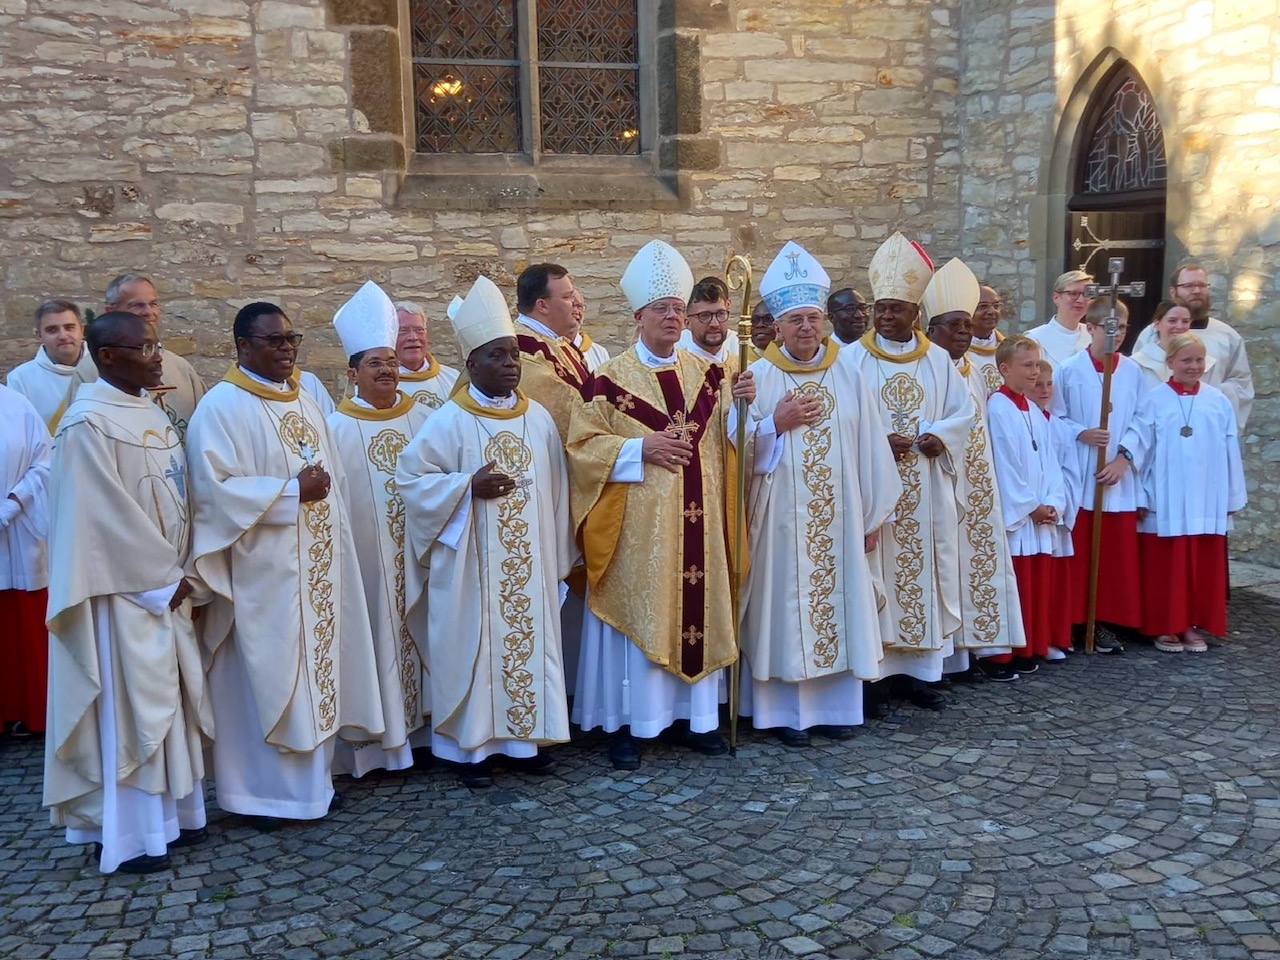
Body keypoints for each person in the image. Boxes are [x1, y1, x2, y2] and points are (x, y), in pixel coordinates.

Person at [568, 239, 765, 769]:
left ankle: (696, 719)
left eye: (679, 309)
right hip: (639, 533)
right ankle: (630, 725)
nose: (674, 318)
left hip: (703, 524)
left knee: (695, 612)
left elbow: (730, 445)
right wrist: (639, 447)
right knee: (642, 615)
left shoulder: (712, 375)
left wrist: (743, 408)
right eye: (664, 310)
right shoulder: (608, 379)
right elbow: (581, 449)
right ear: (638, 317)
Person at [187, 302, 383, 829]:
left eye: (291, 339)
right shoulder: (221, 408)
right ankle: (259, 796)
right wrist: (288, 493)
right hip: (260, 577)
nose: (286, 349)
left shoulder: (306, 400)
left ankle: (311, 785)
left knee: (317, 674)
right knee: (263, 682)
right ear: (242, 346)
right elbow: (212, 495)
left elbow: (334, 483)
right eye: (274, 340)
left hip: (315, 568)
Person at [43, 311, 213, 874]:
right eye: (143, 348)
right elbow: (99, 517)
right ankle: (132, 835)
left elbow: (178, 495)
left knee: (169, 702)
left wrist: (184, 564)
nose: (156, 355)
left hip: (166, 581)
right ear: (108, 356)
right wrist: (160, 578)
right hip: (120, 596)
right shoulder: (86, 423)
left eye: (155, 344)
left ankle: (175, 818)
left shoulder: (152, 410)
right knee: (129, 709)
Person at [397, 275, 572, 787]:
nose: (510, 364)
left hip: (529, 565)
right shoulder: (450, 419)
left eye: (514, 355)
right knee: (473, 648)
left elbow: (557, 492)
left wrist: (558, 556)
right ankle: (467, 751)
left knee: (527, 643)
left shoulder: (537, 418)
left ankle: (524, 742)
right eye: (497, 356)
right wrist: (464, 487)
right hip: (470, 565)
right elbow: (411, 478)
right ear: (472, 363)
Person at [739, 242, 900, 746]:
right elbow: (736, 451)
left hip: (841, 523)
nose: (806, 328)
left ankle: (834, 710)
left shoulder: (850, 371)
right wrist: (772, 425)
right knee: (784, 610)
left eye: (812, 318)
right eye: (794, 321)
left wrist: (872, 518)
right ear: (778, 327)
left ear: (823, 321)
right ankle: (784, 714)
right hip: (779, 525)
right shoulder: (757, 376)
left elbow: (871, 445)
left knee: (839, 602)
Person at [846, 233, 975, 693]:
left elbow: (965, 412)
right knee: (877, 574)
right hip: (875, 490)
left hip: (925, 489)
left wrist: (940, 435)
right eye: (880, 307)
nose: (884, 316)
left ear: (915, 314)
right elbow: (842, 420)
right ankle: (876, 677)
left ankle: (920, 674)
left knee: (923, 573)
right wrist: (878, 440)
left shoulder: (939, 360)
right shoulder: (851, 360)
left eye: (894, 309)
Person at [327, 282, 433, 778]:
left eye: (391, 362)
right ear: (352, 373)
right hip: (366, 567)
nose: (388, 370)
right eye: (375, 363)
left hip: (421, 559)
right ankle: (381, 746)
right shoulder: (337, 430)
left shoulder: (426, 420)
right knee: (375, 640)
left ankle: (426, 734)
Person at [921, 259, 1026, 675]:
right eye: (956, 326)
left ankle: (980, 651)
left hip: (976, 481)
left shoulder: (975, 370)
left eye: (968, 326)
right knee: (941, 566)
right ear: (931, 329)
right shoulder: (925, 368)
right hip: (937, 480)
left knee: (974, 564)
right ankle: (942, 663)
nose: (965, 333)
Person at [1134, 333, 1246, 652]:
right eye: (1186, 360)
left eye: (1198, 359)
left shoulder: (1217, 400)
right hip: (1164, 498)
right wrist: (1140, 495)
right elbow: (1142, 451)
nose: (1193, 366)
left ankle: (1190, 625)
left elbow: (1229, 450)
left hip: (1205, 496)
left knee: (1198, 567)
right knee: (1165, 568)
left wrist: (1232, 497)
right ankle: (1164, 626)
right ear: (1170, 363)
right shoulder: (1153, 399)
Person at [1051, 297, 1146, 653]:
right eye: (1108, 327)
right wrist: (1080, 432)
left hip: (1115, 480)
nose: (1116, 334)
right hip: (1081, 474)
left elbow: (1144, 421)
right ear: (1088, 328)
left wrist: (1124, 458)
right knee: (1080, 555)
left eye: (1121, 327)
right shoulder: (1069, 370)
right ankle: (1075, 621)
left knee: (1110, 559)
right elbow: (1055, 416)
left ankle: (1102, 621)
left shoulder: (1134, 372)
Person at [985, 336, 1071, 676]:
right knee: (1015, 586)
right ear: (1005, 369)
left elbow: (1050, 463)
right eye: (1028, 365)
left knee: (1036, 584)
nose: (1035, 372)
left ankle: (1030, 646)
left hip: (1038, 515)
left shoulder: (1034, 410)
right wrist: (1030, 506)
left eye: (1037, 364)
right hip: (1020, 517)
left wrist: (1052, 502)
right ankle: (1003, 655)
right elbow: (1003, 465)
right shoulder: (997, 407)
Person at [1131, 262, 1253, 430]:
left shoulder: (1227, 336)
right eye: (1189, 286)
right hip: (1158, 424)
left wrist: (1214, 392)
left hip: (1206, 425)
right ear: (1173, 292)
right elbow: (1137, 379)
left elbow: (1241, 384)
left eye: (1202, 285)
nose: (1197, 291)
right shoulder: (1151, 334)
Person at [0, 382, 51, 737]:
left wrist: (14, 503)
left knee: (23, 631)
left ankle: (30, 713)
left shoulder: (17, 406)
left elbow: (45, 463)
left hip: (18, 530)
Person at [104, 274, 206, 440]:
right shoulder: (94, 369)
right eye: (137, 305)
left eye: (153, 304)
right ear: (111, 311)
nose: (149, 312)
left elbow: (203, 430)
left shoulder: (181, 368)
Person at [515, 263, 590, 442]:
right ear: (542, 306)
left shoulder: (559, 342)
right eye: (567, 297)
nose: (575, 304)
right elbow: (564, 412)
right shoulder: (523, 349)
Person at [6, 300, 99, 430]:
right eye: (52, 330)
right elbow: (20, 432)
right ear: (39, 335)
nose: (63, 336)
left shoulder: (106, 368)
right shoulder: (20, 378)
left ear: (82, 330)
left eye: (69, 327)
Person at [393, 299, 461, 409]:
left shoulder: (453, 378)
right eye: (403, 330)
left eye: (419, 330)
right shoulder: (382, 383)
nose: (413, 337)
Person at [1024, 269, 1093, 369]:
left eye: (1087, 294)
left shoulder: (1094, 334)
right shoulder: (1035, 338)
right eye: (1073, 293)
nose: (1081, 300)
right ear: (1056, 297)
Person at [677, 276, 738, 370]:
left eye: (720, 314)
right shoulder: (678, 369)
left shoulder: (742, 367)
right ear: (687, 323)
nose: (715, 324)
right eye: (704, 316)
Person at [1132, 300, 1192, 390]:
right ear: (1157, 324)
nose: (1179, 326)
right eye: (1172, 321)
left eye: (1185, 321)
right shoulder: (1138, 363)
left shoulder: (1199, 362)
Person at [968, 284, 1006, 396]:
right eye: (983, 306)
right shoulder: (956, 352)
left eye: (996, 306)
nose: (991, 311)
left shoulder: (1009, 349)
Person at [572, 288, 610, 372]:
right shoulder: (549, 347)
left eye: (579, 306)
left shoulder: (600, 352)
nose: (576, 311)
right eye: (572, 306)